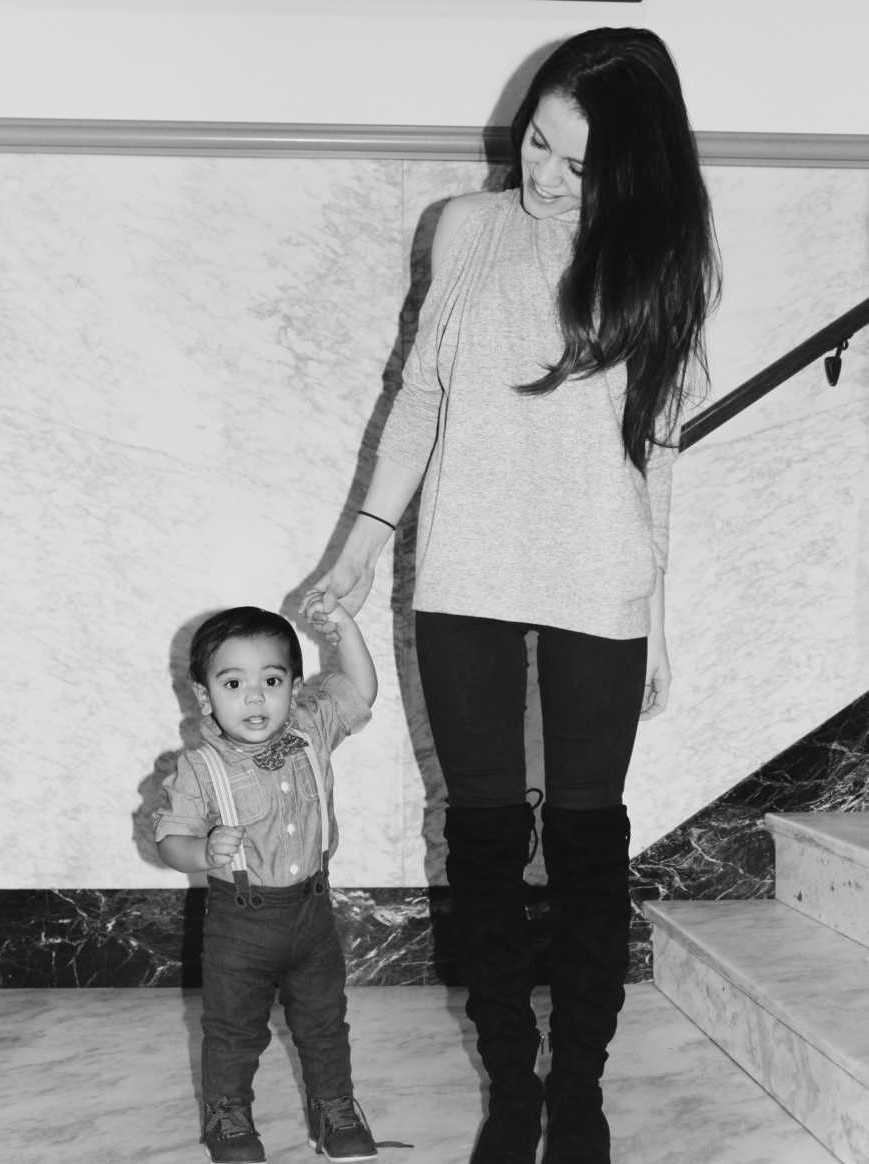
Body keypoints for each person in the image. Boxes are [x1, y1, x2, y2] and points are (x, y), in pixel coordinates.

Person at [303, 26, 720, 1164]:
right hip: (465, 568)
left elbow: (658, 457)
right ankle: (511, 1086)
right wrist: (359, 544)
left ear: (630, 173)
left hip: (602, 574)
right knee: (484, 839)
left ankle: (578, 1084)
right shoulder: (465, 230)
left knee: (587, 842)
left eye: (578, 164)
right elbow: (420, 401)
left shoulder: (662, 262)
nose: (544, 174)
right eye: (538, 139)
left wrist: (660, 620)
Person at [154, 603, 379, 1164]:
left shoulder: (310, 732)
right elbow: (169, 839)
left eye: (271, 681)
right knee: (233, 1028)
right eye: (234, 683)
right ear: (205, 696)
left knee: (325, 1022)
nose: (254, 698)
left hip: (312, 915)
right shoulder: (199, 767)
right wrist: (202, 851)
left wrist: (346, 629)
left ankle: (334, 1109)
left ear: (294, 688)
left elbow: (359, 691)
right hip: (240, 922)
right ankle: (227, 1114)